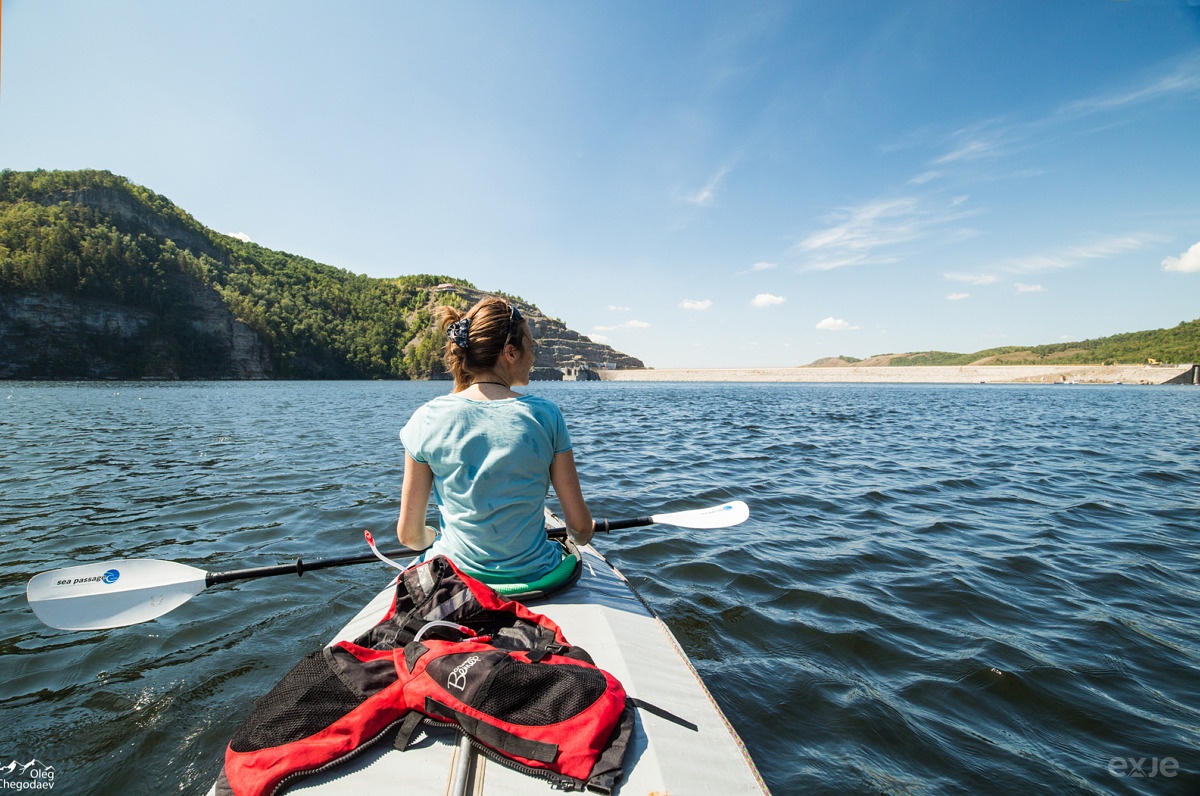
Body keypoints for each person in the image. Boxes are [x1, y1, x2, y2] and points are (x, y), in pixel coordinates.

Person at [396, 296, 594, 584]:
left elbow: (409, 536)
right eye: (531, 346)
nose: (534, 355)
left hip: (457, 583)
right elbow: (579, 529)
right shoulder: (546, 416)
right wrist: (584, 529)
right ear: (511, 353)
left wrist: (433, 535)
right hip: (536, 577)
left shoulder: (426, 418)